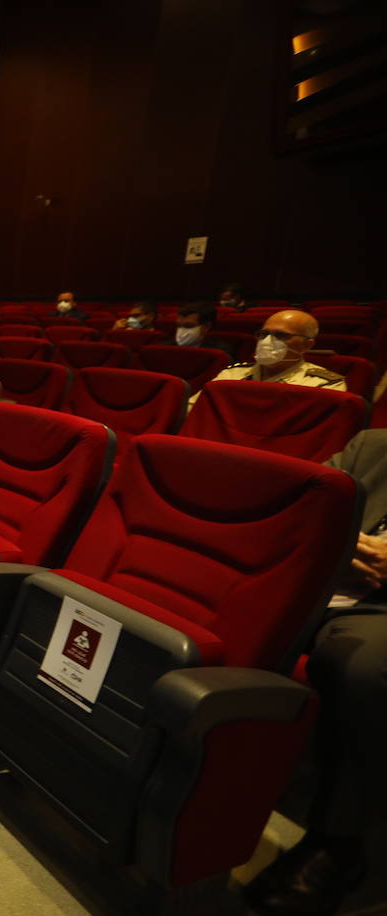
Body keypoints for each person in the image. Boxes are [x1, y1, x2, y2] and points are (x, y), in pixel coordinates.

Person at [243, 429, 387, 916]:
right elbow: (304, 509)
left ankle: (339, 844)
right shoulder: (372, 446)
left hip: (379, 615)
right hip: (316, 585)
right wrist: (331, 552)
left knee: (360, 667)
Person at [192, 309, 346, 406]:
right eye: (264, 334)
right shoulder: (232, 374)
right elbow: (194, 409)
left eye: (281, 336)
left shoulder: (324, 385)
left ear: (307, 345)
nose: (267, 342)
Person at [161, 303, 231, 355]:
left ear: (206, 326)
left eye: (189, 326)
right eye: (179, 326)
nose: (181, 330)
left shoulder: (220, 352)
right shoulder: (164, 348)